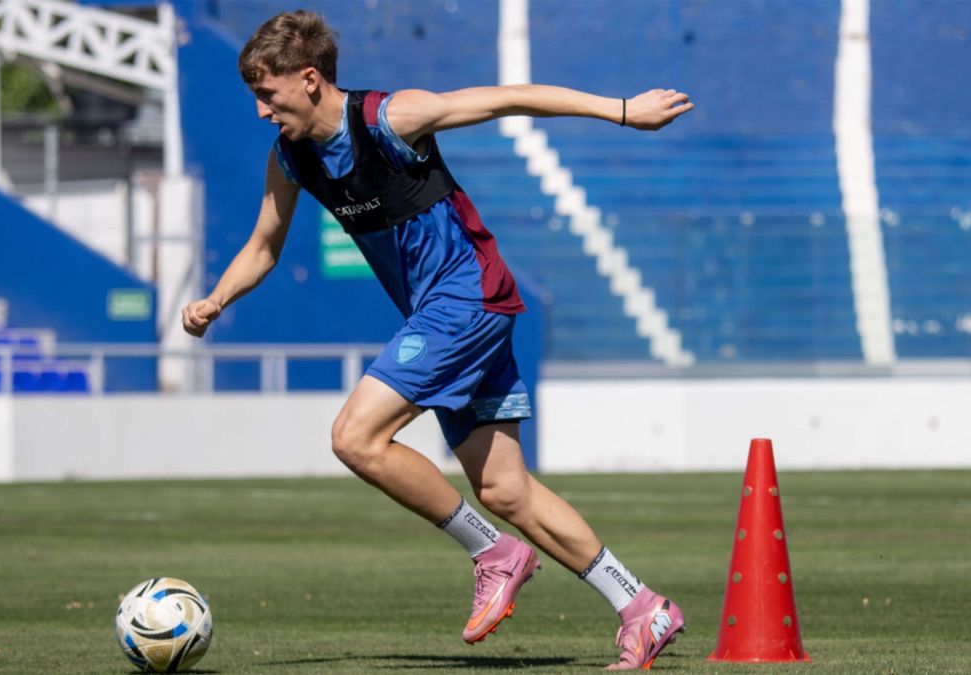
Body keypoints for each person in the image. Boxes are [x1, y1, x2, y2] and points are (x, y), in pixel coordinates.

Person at [181, 10, 693, 670]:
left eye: (267, 93)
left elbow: (509, 96)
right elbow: (263, 244)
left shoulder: (391, 119)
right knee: (508, 491)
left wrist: (624, 111)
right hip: (449, 311)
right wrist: (216, 299)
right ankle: (642, 606)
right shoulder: (292, 156)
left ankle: (494, 551)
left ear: (308, 79)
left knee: (354, 436)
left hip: (466, 298)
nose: (259, 110)